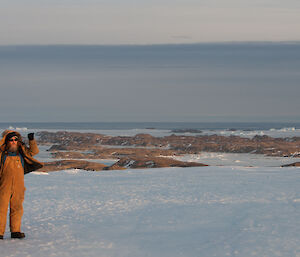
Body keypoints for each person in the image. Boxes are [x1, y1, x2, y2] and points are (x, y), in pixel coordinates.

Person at [0, 130, 43, 239]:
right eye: (11, 140)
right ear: (6, 141)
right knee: (1, 209)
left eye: (16, 139)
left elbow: (34, 151)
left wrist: (31, 140)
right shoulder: (1, 154)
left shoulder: (22, 152)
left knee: (17, 208)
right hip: (4, 186)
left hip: (19, 186)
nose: (14, 142)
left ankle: (15, 231)